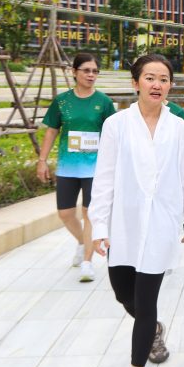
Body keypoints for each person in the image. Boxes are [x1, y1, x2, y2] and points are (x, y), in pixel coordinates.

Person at [88, 53, 184, 367]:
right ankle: (153, 329)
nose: (157, 84)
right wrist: (99, 226)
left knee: (145, 300)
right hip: (124, 224)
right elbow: (104, 178)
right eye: (150, 78)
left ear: (170, 86)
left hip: (161, 226)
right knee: (123, 294)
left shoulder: (179, 128)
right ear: (135, 82)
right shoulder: (116, 125)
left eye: (163, 79)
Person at [37, 52, 116, 282]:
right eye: (86, 70)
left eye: (95, 71)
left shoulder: (103, 102)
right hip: (67, 167)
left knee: (89, 213)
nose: (91, 75)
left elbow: (113, 133)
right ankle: (82, 242)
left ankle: (88, 262)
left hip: (95, 168)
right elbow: (52, 130)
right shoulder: (62, 101)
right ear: (74, 72)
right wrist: (42, 160)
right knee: (65, 213)